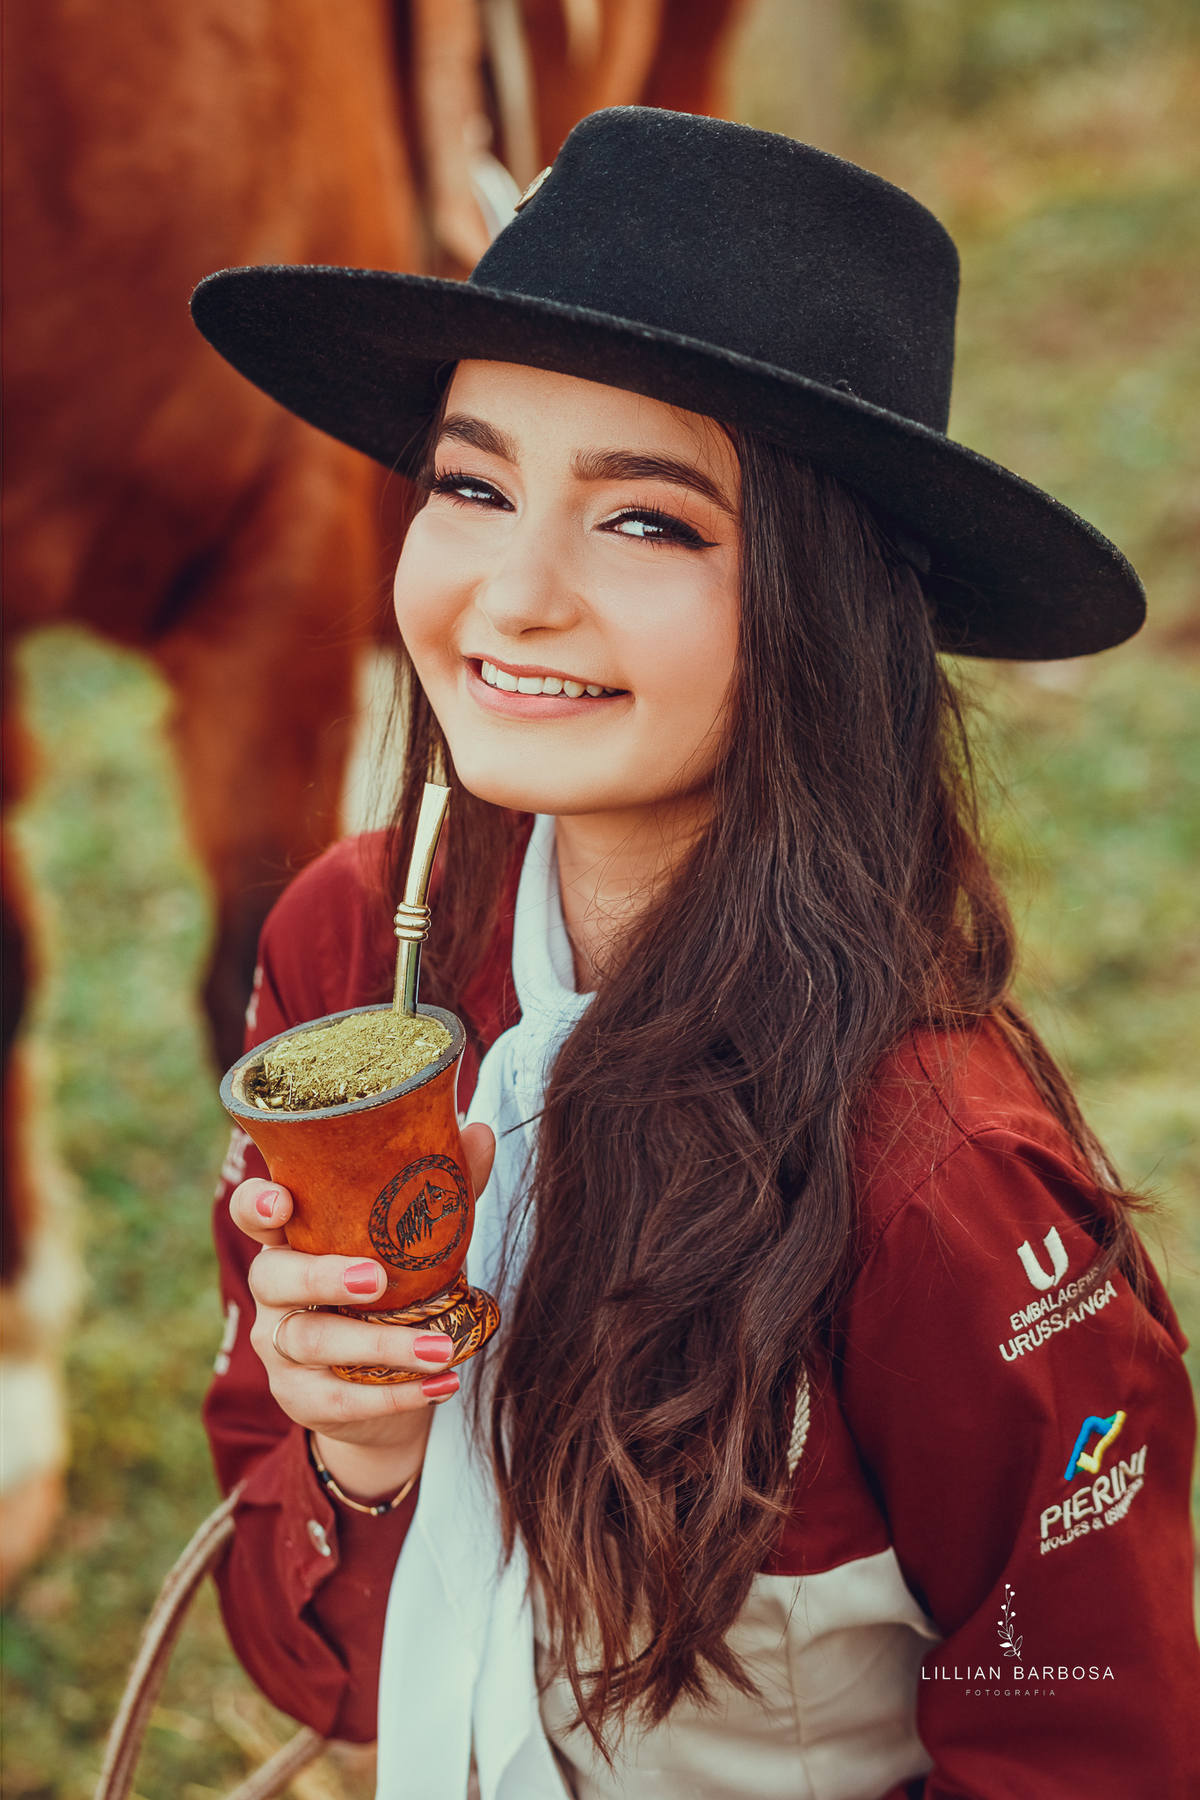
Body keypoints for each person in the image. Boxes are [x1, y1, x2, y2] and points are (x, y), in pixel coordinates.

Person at [191, 108, 1199, 1799]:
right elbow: (324, 1675)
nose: (510, 595)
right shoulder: (355, 953)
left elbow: (1095, 1742)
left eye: (645, 520)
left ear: (833, 601)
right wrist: (359, 1457)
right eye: (469, 482)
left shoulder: (936, 1178)